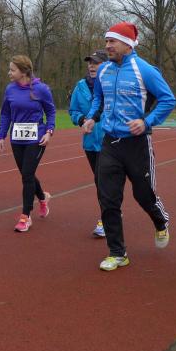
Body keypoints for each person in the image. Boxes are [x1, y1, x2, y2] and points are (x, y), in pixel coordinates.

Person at [81, 22, 176, 271]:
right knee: (107, 198)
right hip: (110, 143)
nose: (107, 46)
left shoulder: (145, 70)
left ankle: (160, 221)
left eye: (112, 41)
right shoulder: (104, 71)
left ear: (127, 44)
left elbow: (168, 99)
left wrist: (146, 122)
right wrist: (91, 118)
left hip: (137, 145)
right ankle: (117, 252)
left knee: (143, 195)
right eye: (106, 41)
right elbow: (98, 98)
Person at [0, 55, 56, 232]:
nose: (9, 73)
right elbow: (5, 113)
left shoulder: (41, 89)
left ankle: (25, 216)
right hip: (17, 138)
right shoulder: (10, 89)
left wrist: (49, 132)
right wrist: (1, 135)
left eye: (12, 70)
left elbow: (51, 112)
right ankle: (42, 198)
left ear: (23, 72)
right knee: (26, 174)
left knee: (27, 175)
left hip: (36, 137)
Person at [69, 49, 107, 238]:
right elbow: (73, 110)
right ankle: (111, 213)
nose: (91, 66)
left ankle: (107, 218)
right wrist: (82, 119)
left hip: (110, 140)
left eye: (96, 63)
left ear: (105, 65)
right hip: (90, 142)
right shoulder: (80, 86)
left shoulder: (112, 84)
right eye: (90, 63)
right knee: (99, 181)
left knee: (104, 180)